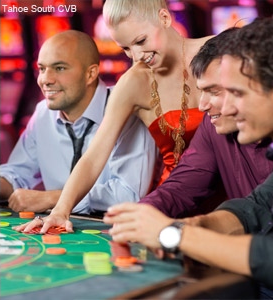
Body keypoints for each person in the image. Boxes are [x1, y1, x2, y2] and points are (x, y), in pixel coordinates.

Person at [104, 18, 273, 296]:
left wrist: (175, 235)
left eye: (234, 92)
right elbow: (252, 208)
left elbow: (267, 255)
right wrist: (156, 221)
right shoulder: (215, 128)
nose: (203, 105)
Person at [17, 0, 212, 233]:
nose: (137, 56)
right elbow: (94, 156)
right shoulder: (133, 82)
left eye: (140, 41)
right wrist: (60, 210)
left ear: (165, 19)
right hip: (175, 202)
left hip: (237, 190)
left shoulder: (219, 52)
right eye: (126, 49)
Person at [1, 30, 155, 214]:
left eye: (59, 68)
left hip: (115, 230)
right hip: (58, 228)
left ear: (90, 74)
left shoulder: (128, 110)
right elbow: (17, 173)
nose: (45, 80)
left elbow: (129, 195)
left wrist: (51, 198)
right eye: (42, 69)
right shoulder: (43, 113)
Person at [139, 27, 273, 218]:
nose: (201, 106)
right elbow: (181, 188)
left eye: (215, 91)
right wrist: (141, 213)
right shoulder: (212, 126)